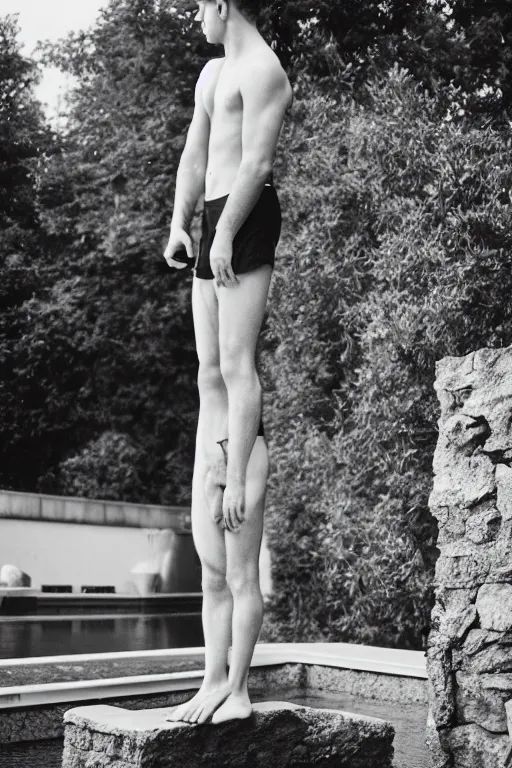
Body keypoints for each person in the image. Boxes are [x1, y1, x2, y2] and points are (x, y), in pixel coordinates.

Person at [163, 0, 292, 725]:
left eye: (197, 8)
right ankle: (212, 681)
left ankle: (237, 690)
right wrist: (182, 223)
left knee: (236, 367)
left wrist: (227, 233)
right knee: (208, 372)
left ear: (221, 2)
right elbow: (195, 152)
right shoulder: (213, 75)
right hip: (214, 214)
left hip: (247, 213)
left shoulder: (265, 71)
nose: (195, 21)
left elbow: (259, 162)